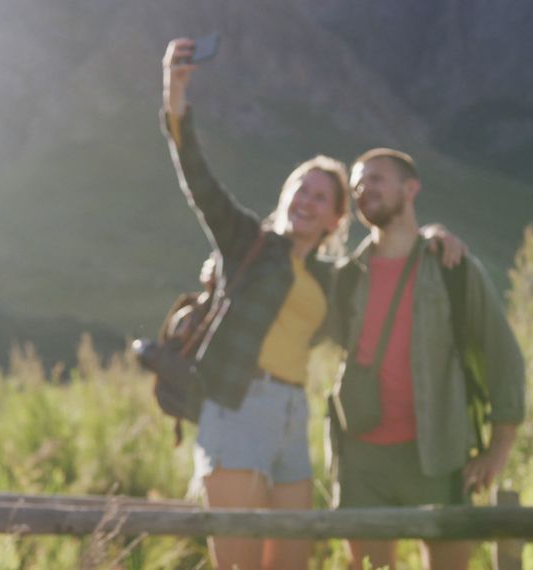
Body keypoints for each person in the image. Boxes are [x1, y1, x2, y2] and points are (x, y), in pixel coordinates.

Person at [160, 38, 463, 570]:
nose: (306, 201)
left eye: (320, 197)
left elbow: (390, 262)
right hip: (235, 406)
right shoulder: (246, 242)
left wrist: (431, 235)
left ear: (334, 221)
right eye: (300, 190)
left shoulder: (333, 277)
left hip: (293, 414)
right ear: (285, 198)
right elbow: (198, 178)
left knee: (291, 561)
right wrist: (176, 94)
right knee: (239, 563)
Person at [330, 148, 526, 570]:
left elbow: (503, 353)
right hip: (361, 459)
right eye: (358, 184)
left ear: (411, 188)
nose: (365, 190)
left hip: (438, 451)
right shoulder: (348, 275)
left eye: (376, 179)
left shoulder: (452, 267)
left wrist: (499, 448)